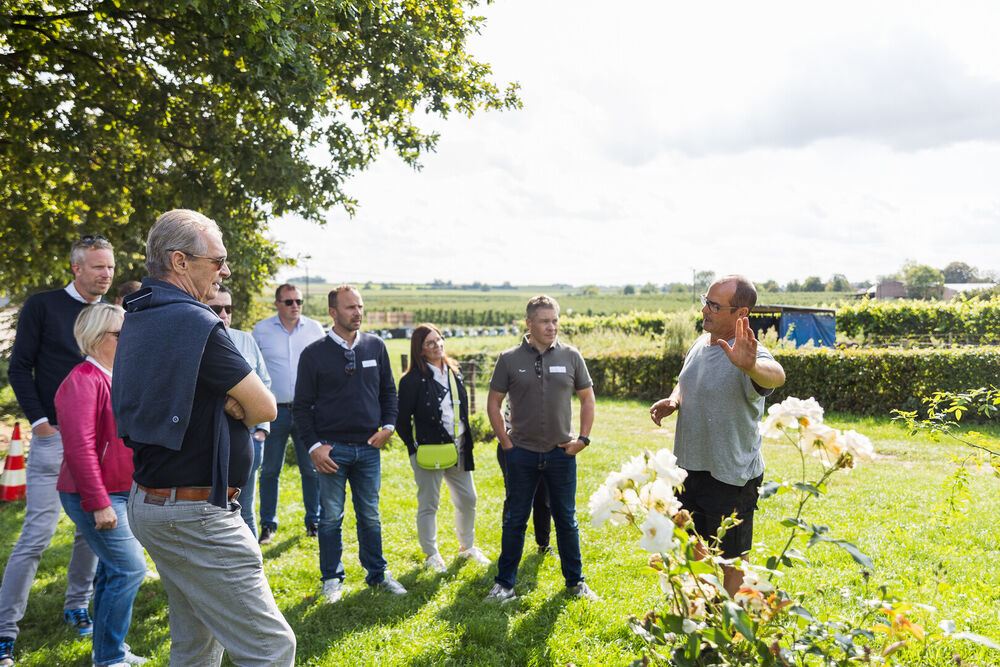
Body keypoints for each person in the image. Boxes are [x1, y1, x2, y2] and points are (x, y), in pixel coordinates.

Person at [113, 209, 295, 666]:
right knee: (271, 648)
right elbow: (265, 407)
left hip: (154, 501)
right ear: (180, 261)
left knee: (195, 646)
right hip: (195, 513)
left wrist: (225, 401)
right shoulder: (196, 324)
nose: (225, 271)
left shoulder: (142, 314)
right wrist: (234, 403)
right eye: (218, 261)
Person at [1, 236, 113, 663]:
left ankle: (77, 607)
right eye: (98, 267)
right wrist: (41, 422)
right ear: (76, 269)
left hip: (100, 443)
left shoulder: (112, 316)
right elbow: (19, 367)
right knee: (35, 537)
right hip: (56, 439)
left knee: (92, 532)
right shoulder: (43, 306)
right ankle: (4, 630)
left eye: (110, 267)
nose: (105, 274)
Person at [649, 275, 786, 596]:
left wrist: (750, 367)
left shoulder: (748, 354)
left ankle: (732, 627)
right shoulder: (700, 343)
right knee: (693, 544)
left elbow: (776, 376)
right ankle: (703, 611)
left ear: (740, 315)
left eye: (714, 305)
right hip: (689, 469)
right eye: (705, 301)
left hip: (730, 476)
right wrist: (674, 400)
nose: (704, 309)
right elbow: (686, 380)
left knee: (731, 560)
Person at [295, 285, 405, 603]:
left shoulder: (375, 346)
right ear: (333, 312)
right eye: (349, 308)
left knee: (370, 514)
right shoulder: (314, 354)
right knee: (330, 517)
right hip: (331, 450)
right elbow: (302, 406)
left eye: (359, 306)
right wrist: (315, 446)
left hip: (369, 449)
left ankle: (378, 574)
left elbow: (389, 392)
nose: (357, 312)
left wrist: (388, 427)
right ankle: (331, 578)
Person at [486, 295, 597, 602]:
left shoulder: (571, 356)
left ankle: (576, 583)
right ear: (529, 324)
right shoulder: (509, 359)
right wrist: (506, 443)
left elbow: (588, 398)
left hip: (561, 454)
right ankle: (504, 585)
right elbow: (493, 403)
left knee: (566, 520)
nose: (552, 327)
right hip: (520, 453)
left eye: (555, 320)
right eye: (545, 321)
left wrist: (582, 440)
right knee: (515, 519)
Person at [55, 303, 148, 667]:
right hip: (93, 495)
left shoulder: (115, 375)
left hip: (121, 491)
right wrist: (98, 502)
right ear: (96, 338)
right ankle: (109, 658)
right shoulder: (81, 380)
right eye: (120, 335)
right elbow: (79, 447)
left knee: (113, 572)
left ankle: (110, 651)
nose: (129, 341)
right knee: (130, 569)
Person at [397, 324, 491, 573]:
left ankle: (467, 548)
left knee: (468, 498)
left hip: (459, 447)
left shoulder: (453, 370)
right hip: (428, 451)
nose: (437, 346)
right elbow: (401, 420)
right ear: (419, 349)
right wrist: (414, 448)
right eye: (430, 343)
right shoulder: (410, 381)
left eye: (439, 340)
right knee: (429, 503)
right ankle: (431, 554)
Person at [252, 283, 325, 544]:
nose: (295, 306)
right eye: (289, 301)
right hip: (274, 411)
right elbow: (252, 370)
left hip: (309, 412)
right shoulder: (261, 330)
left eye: (299, 301)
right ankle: (268, 525)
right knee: (270, 470)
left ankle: (314, 522)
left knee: (311, 469)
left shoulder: (315, 329)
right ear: (277, 304)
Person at [207, 285, 271, 536]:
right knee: (212, 509)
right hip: (210, 439)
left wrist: (261, 430)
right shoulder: (196, 342)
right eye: (216, 308)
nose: (224, 314)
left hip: (249, 436)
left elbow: (265, 383)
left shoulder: (246, 340)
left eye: (228, 308)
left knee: (244, 508)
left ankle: (253, 572)